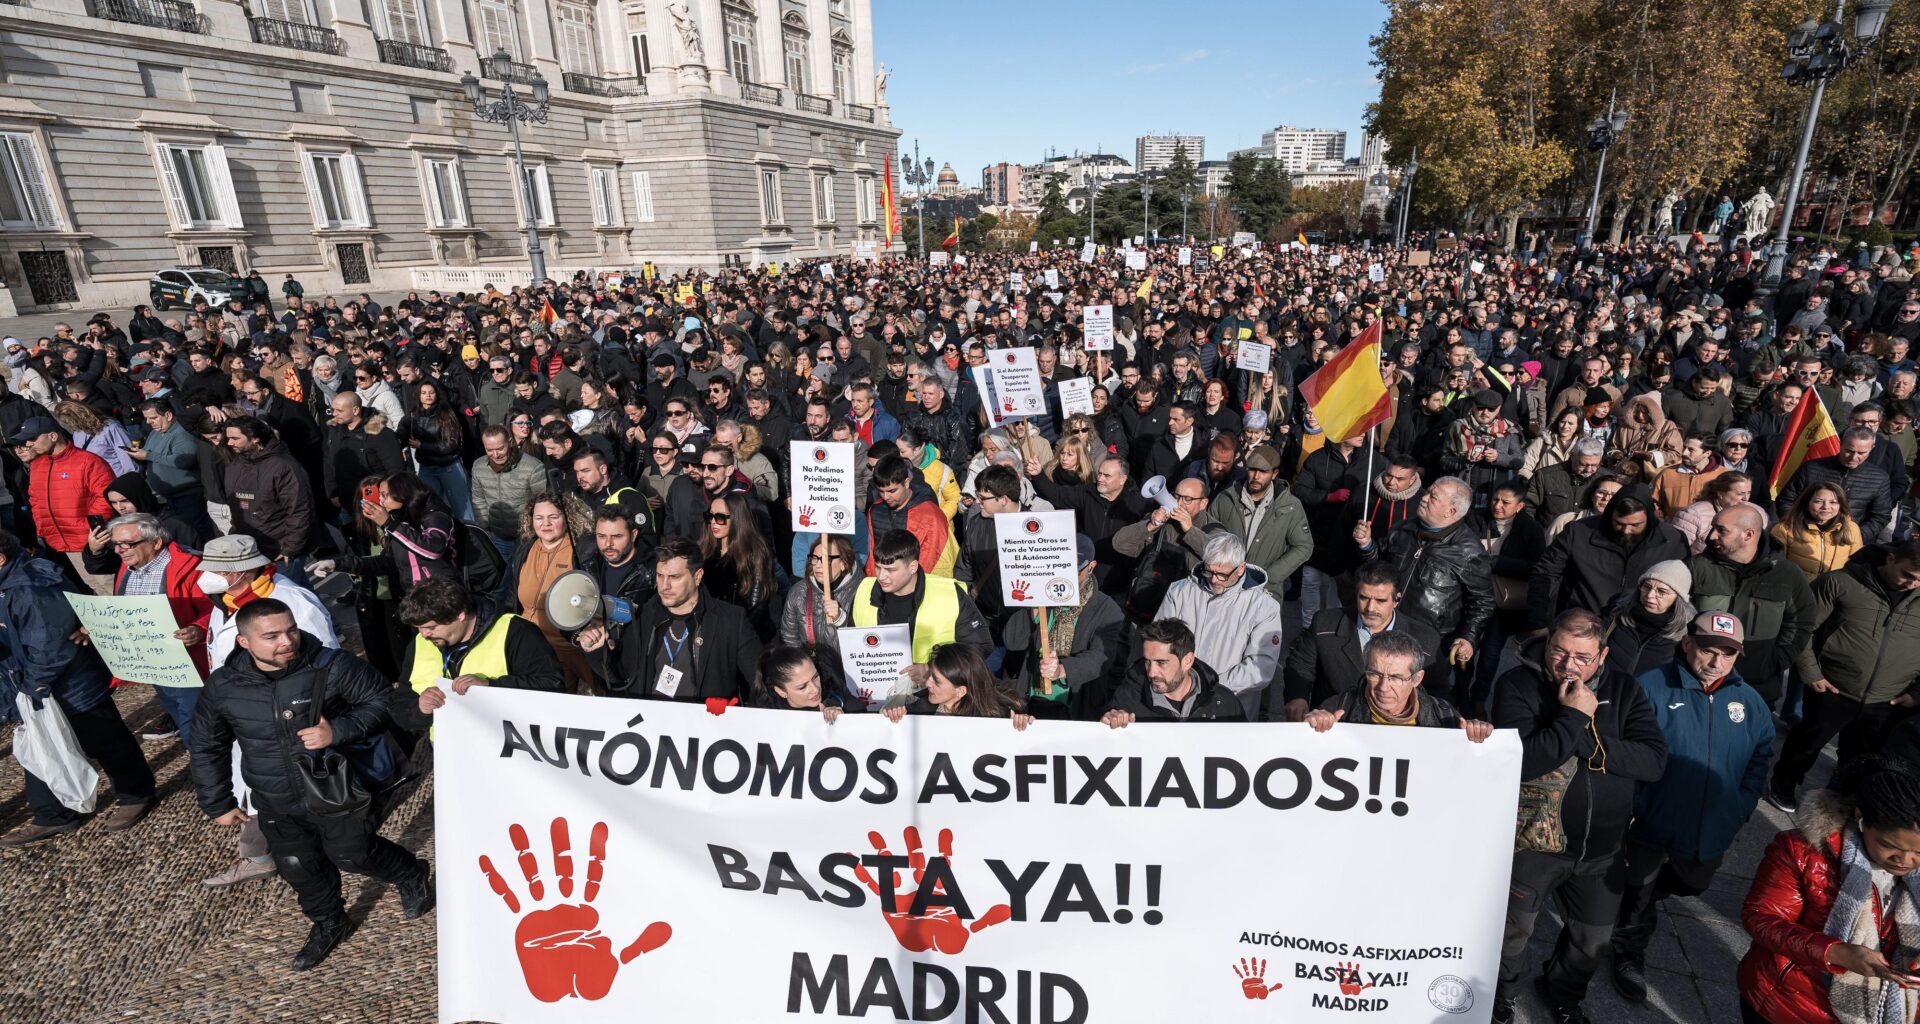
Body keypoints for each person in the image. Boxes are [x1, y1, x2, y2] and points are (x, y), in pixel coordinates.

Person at [189, 599, 435, 971]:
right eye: (271, 636)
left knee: (353, 853)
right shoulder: (224, 685)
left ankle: (411, 873)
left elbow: (386, 703)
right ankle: (330, 923)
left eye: (289, 630)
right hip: (276, 798)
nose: (286, 641)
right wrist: (217, 802)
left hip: (337, 789)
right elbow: (208, 743)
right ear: (244, 643)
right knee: (297, 866)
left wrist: (337, 731)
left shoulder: (331, 666)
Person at [1491, 609, 1669, 1024]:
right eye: (1559, 651)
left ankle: (1561, 993)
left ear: (1603, 655)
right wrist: (1572, 716)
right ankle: (1500, 996)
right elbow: (1523, 760)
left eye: (1583, 657)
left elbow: (1653, 761)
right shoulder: (1516, 685)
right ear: (1548, 640)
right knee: (1511, 933)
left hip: (1602, 850)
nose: (1569, 665)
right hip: (1534, 844)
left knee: (1592, 941)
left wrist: (1588, 741)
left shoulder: (1625, 690)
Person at [1612, 612, 1774, 1004]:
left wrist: (1741, 805)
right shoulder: (1651, 686)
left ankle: (1632, 899)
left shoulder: (1749, 702)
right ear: (1687, 644)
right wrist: (1629, 807)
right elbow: (1624, 750)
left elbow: (1761, 756)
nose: (1716, 661)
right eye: (1707, 650)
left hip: (1712, 825)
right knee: (1640, 888)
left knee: (1693, 882)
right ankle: (1627, 952)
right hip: (1651, 819)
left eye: (1727, 654)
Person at [199, 533, 341, 889]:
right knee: (258, 788)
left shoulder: (292, 602)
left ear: (239, 572)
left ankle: (285, 856)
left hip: (284, 720)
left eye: (217, 568)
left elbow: (324, 665)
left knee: (288, 793)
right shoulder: (228, 601)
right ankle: (266, 853)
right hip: (245, 715)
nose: (209, 575)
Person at [0, 528, 156, 847]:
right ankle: (52, 815)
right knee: (41, 749)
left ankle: (135, 793)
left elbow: (51, 645)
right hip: (37, 688)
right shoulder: (10, 583)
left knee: (107, 740)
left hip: (68, 686)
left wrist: (31, 689)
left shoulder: (31, 587)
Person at [1739, 757, 1920, 1024]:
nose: (1905, 860)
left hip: (1884, 1010)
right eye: (1889, 845)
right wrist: (1835, 952)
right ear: (1861, 818)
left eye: (1918, 851)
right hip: (1789, 1003)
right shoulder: (1802, 851)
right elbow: (1760, 918)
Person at [1771, 538, 1920, 813]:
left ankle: (1841, 794)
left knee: (1861, 756)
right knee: (1806, 744)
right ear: (1891, 559)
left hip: (1888, 699)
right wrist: (1810, 672)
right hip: (1832, 688)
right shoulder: (1840, 583)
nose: (1912, 585)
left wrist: (1916, 693)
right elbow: (1803, 628)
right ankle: (1784, 782)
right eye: (1908, 575)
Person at [1356, 476, 1494, 709]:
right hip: (1386, 628)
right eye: (1428, 491)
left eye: (1433, 497)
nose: (1424, 497)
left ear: (1451, 511)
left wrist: (1468, 637)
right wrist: (1367, 546)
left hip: (1431, 643)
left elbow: (1482, 602)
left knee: (1421, 702)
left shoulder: (1469, 551)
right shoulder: (1403, 529)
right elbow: (1378, 569)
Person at [577, 536, 761, 705]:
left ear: (697, 577)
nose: (664, 586)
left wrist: (737, 719)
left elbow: (760, 682)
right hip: (651, 727)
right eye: (660, 576)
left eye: (674, 577)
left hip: (704, 730)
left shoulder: (730, 620)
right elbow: (621, 678)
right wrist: (596, 651)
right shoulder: (644, 616)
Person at [102, 513, 212, 745]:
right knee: (177, 710)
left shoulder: (191, 567)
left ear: (156, 542)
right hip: (156, 666)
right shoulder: (129, 566)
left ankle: (208, 774)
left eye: (127, 544)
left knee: (195, 725)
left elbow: (215, 609)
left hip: (191, 663)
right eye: (116, 544)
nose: (119, 550)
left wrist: (198, 628)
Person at [1690, 502, 1815, 706]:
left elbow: (1802, 622)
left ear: (1748, 535)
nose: (1711, 536)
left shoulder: (1787, 574)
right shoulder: (1697, 567)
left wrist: (1774, 661)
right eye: (1713, 527)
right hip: (1699, 682)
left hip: (1757, 687)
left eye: (1721, 530)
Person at [1285, 560, 1444, 719]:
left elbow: (1438, 694)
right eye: (1363, 598)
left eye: (1380, 601)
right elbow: (1300, 665)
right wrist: (1297, 698)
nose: (1370, 608)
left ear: (1397, 600)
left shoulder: (1425, 639)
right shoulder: (1324, 624)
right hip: (1334, 723)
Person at [1001, 534, 1126, 720]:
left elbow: (1101, 657)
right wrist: (1034, 606)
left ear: (1091, 567)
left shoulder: (1107, 609)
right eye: (1060, 569)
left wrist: (1062, 669)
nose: (1065, 577)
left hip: (1074, 708)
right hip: (1031, 704)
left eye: (1073, 571)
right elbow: (1012, 642)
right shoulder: (1041, 597)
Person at [1532, 491, 1691, 630]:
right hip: (1579, 626)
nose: (1626, 531)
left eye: (1635, 525)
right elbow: (1545, 574)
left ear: (1649, 518)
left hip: (1638, 630)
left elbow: (1684, 590)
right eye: (1619, 524)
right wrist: (1536, 622)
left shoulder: (1673, 540)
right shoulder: (1579, 532)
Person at [1301, 631, 1495, 740]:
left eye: (1396, 678)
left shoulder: (1445, 717)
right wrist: (1311, 727)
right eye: (1375, 674)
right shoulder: (1337, 708)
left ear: (1417, 679)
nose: (1383, 687)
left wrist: (1478, 739)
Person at [848, 529, 991, 675]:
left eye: (890, 570)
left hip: (931, 693)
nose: (881, 576)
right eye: (878, 567)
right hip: (876, 693)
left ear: (913, 567)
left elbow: (979, 647)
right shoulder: (863, 590)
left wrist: (932, 670)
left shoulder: (950, 593)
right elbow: (851, 645)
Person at [9, 413, 114, 594]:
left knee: (111, 586)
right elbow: (35, 499)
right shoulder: (38, 465)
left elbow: (106, 497)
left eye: (33, 438)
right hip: (62, 540)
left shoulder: (88, 461)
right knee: (95, 587)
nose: (29, 444)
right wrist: (43, 526)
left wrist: (88, 527)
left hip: (91, 541)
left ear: (53, 436)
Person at [506, 491, 595, 690]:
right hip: (533, 648)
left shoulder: (581, 550)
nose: (545, 523)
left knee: (604, 697)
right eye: (539, 518)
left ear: (567, 517)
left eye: (553, 517)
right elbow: (512, 595)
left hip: (572, 647)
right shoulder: (526, 547)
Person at [1207, 442, 1311, 607]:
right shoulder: (1226, 498)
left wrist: (1270, 576)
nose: (1256, 477)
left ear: (1275, 473)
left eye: (1263, 472)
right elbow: (1208, 532)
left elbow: (1303, 546)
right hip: (1224, 587)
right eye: (1252, 470)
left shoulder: (1290, 506)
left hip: (1265, 593)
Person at [1100, 617, 1246, 725]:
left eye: (1161, 663)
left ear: (1187, 661)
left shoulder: (1224, 703)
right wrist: (1110, 723)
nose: (1151, 672)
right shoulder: (1128, 699)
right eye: (1147, 662)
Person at [222, 416, 316, 582]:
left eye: (235, 438)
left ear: (255, 438)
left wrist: (290, 548)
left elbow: (300, 510)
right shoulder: (235, 465)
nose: (229, 443)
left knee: (290, 596)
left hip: (280, 550)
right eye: (228, 438)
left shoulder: (283, 466)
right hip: (251, 548)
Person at [880, 643, 1032, 729]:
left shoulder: (1001, 717)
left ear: (960, 691)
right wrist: (893, 718)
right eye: (930, 675)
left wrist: (1022, 726)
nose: (927, 683)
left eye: (937, 681)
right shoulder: (916, 708)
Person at [778, 534, 859, 695]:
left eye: (826, 559)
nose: (818, 565)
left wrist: (841, 620)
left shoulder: (863, 591)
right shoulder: (798, 592)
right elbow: (790, 639)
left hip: (853, 682)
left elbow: (869, 641)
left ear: (843, 563)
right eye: (814, 558)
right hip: (814, 682)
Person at [699, 491, 782, 642]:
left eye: (720, 518)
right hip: (709, 632)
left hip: (742, 636)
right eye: (710, 516)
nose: (713, 522)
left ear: (737, 519)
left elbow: (757, 608)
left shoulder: (755, 554)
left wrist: (732, 635)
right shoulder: (705, 550)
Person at [1603, 560, 1698, 678]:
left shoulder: (1688, 636)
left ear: (1678, 599)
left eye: (1661, 592)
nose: (1649, 595)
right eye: (1647, 587)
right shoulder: (1615, 615)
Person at [866, 452, 955, 576]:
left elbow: (934, 559)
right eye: (881, 491)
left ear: (906, 483)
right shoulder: (875, 510)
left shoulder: (931, 516)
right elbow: (871, 553)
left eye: (892, 491)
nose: (886, 497)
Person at [472, 424, 548, 559]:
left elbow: (542, 503)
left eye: (500, 448)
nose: (495, 454)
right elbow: (479, 499)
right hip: (498, 536)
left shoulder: (533, 467)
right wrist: (485, 528)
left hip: (526, 537)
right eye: (489, 450)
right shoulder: (479, 467)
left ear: (510, 442)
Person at [1771, 480, 1864, 579]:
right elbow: (1774, 566)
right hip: (1797, 590)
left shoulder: (1851, 529)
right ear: (1807, 503)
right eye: (1818, 501)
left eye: (1833, 502)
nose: (1826, 507)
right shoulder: (1784, 529)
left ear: (1840, 505)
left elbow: (1856, 566)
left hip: (1833, 590)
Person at [755, 645, 852, 721]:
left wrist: (845, 721)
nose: (815, 689)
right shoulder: (767, 717)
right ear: (781, 692)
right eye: (802, 687)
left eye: (815, 677)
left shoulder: (836, 690)